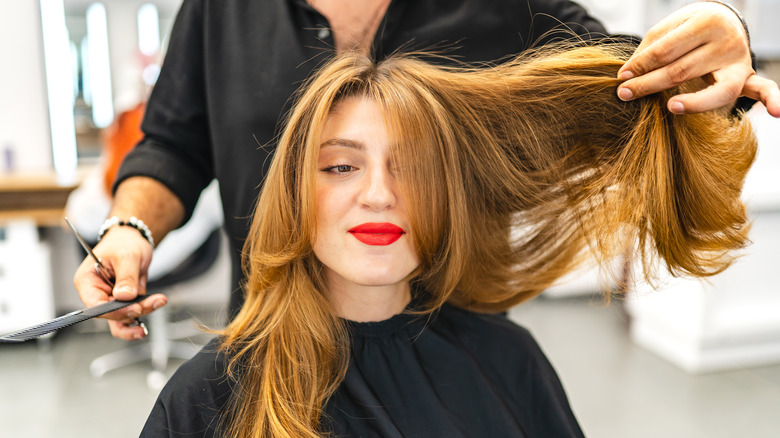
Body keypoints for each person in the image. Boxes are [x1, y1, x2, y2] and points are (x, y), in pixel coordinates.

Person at [140, 42, 759, 436]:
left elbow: (642, 72)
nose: (379, 194)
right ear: (295, 193)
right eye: (341, 166)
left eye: (411, 167)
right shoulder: (209, 398)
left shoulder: (509, 360)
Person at [73, 0, 780, 341]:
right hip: (271, 336)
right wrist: (130, 228)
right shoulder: (221, 8)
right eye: (339, 165)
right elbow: (172, 143)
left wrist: (715, 44)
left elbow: (634, 86)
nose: (377, 195)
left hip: (456, 338)